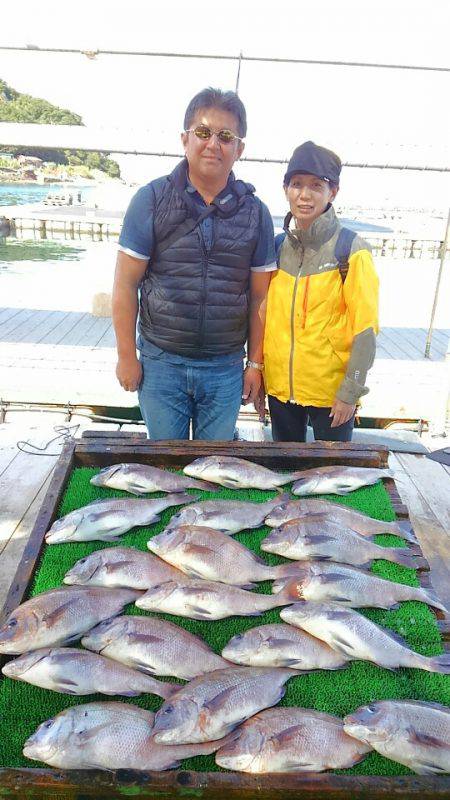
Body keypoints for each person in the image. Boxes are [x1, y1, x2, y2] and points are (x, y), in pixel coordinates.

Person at [112, 88, 275, 440]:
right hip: (160, 363)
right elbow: (125, 284)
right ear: (185, 139)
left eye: (225, 136)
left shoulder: (257, 213)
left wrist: (255, 365)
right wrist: (127, 355)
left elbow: (262, 298)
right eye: (203, 133)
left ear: (239, 149)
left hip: (225, 367)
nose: (213, 144)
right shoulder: (151, 200)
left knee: (214, 467)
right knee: (165, 466)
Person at [262, 140, 379, 442]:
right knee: (285, 472)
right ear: (285, 188)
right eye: (296, 184)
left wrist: (350, 392)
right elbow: (264, 318)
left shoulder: (351, 251)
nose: (304, 194)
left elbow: (366, 330)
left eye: (316, 185)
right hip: (280, 391)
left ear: (333, 192)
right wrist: (260, 373)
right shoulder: (276, 248)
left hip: (331, 395)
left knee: (332, 476)